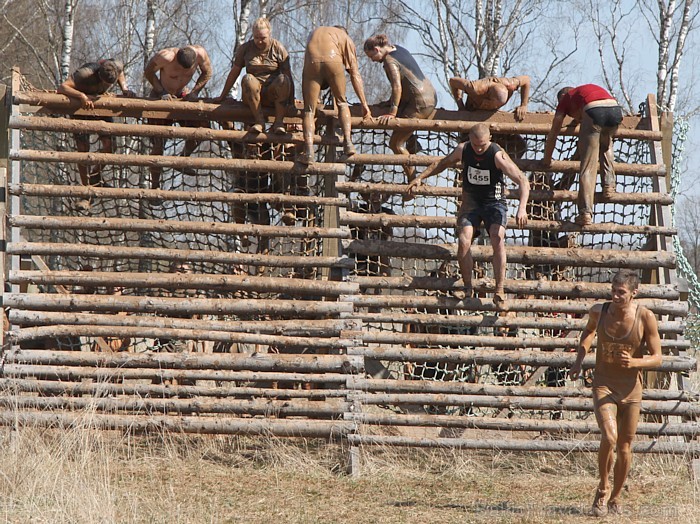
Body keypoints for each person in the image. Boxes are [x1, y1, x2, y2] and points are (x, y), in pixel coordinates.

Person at [569, 270, 662, 517]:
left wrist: (634, 363)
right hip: (604, 384)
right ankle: (602, 490)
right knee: (609, 437)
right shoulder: (599, 311)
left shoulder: (645, 317)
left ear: (634, 293)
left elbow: (657, 357)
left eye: (621, 292)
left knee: (624, 446)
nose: (616, 295)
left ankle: (616, 497)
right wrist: (579, 359)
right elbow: (588, 332)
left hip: (631, 389)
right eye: (613, 290)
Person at [406, 123, 529, 309]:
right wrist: (420, 177)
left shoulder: (497, 155)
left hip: (494, 203)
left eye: (483, 145)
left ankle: (500, 288)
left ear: (489, 140)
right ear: (469, 139)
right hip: (471, 202)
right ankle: (468, 286)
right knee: (464, 241)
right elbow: (442, 163)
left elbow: (522, 180)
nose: (479, 149)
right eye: (476, 145)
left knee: (497, 237)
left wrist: (522, 208)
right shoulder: (463, 150)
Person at [542, 84, 623, 226]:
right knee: (606, 144)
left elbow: (554, 131)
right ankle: (609, 185)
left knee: (588, 166)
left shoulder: (565, 98)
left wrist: (547, 159)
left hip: (594, 111)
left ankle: (585, 212)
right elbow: (582, 112)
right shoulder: (585, 91)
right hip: (615, 110)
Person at [363, 34, 437, 182]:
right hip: (430, 96)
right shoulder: (398, 48)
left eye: (372, 56)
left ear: (377, 49)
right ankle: (413, 143)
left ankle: (414, 180)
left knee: (395, 143)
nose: (372, 61)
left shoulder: (389, 61)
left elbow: (397, 86)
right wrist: (390, 102)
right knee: (402, 132)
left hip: (419, 103)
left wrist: (392, 111)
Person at [57, 59, 136, 192]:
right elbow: (62, 87)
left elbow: (121, 72)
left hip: (100, 107)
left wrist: (124, 88)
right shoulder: (85, 73)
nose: (107, 85)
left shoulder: (117, 66)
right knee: (83, 149)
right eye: (105, 82)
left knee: (110, 146)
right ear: (99, 75)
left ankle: (94, 175)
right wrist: (81, 96)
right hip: (80, 109)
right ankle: (86, 188)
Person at [144, 45, 213, 190]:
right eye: (179, 70)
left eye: (187, 72)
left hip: (183, 96)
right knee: (158, 143)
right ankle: (155, 186)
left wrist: (194, 92)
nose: (182, 73)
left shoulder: (200, 53)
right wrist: (161, 91)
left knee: (203, 129)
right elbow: (148, 71)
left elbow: (207, 72)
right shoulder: (165, 57)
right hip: (160, 96)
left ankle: (182, 158)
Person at [300, 26, 372, 164]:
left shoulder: (314, 33)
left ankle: (309, 151)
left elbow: (311, 67)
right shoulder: (345, 37)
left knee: (309, 111)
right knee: (342, 103)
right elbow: (354, 73)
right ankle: (348, 143)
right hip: (333, 62)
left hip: (312, 61)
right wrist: (364, 104)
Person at [216, 17, 294, 134]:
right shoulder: (246, 49)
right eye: (256, 37)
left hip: (272, 95)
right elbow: (234, 72)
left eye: (263, 38)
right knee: (248, 79)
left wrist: (291, 101)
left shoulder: (278, 48)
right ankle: (259, 122)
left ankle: (278, 123)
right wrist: (222, 96)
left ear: (269, 34)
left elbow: (288, 76)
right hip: (252, 95)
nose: (259, 41)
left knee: (283, 79)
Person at [449, 75, 530, 121]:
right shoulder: (475, 88)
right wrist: (461, 106)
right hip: (472, 111)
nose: (492, 106)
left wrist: (523, 105)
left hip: (491, 117)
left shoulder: (511, 84)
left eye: (497, 105)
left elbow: (526, 80)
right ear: (487, 97)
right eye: (490, 104)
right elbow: (452, 81)